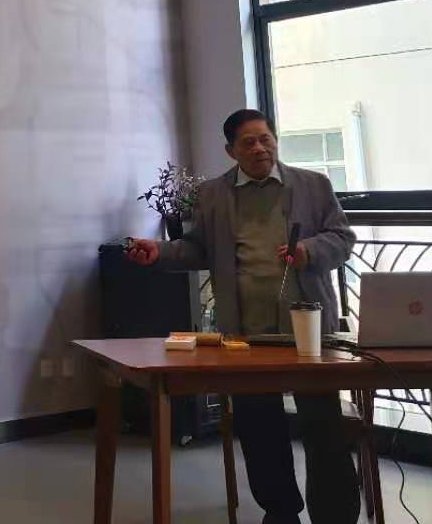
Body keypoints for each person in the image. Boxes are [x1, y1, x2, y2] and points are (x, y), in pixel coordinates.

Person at [126, 109, 359, 524]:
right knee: (258, 426)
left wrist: (308, 251)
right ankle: (280, 511)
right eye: (248, 142)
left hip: (307, 330)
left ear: (275, 141)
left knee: (322, 423)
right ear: (231, 151)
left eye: (265, 139)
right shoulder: (213, 195)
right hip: (244, 334)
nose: (259, 148)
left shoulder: (313, 185)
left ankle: (335, 515)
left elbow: (342, 239)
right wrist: (159, 251)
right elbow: (199, 248)